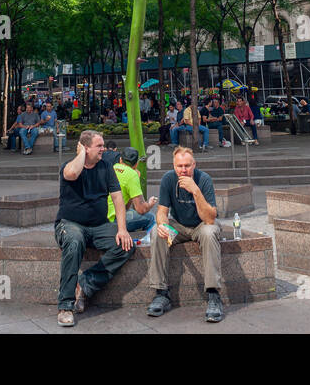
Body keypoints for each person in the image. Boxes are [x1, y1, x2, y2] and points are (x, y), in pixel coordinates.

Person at [54, 130, 133, 327]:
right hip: (70, 225)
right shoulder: (69, 167)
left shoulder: (106, 167)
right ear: (85, 148)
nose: (104, 149)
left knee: (126, 245)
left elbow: (117, 199)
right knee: (74, 241)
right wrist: (81, 154)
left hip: (99, 227)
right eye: (99, 146)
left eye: (103, 145)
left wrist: (122, 229)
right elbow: (72, 174)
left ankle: (85, 284)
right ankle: (65, 305)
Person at [146, 145, 224, 322]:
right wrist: (162, 225)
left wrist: (195, 190)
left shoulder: (204, 179)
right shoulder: (168, 179)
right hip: (179, 226)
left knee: (210, 232)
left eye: (187, 166)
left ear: (194, 164)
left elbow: (210, 219)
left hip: (200, 225)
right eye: (179, 166)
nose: (183, 170)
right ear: (174, 166)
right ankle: (161, 293)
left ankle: (213, 295)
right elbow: (161, 211)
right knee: (157, 234)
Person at [110, 146, 159, 235]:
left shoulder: (112, 167)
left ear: (120, 160)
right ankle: (149, 242)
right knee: (151, 217)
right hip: (114, 220)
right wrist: (150, 204)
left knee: (131, 213)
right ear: (136, 164)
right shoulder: (132, 175)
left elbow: (126, 207)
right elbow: (141, 209)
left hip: (103, 216)